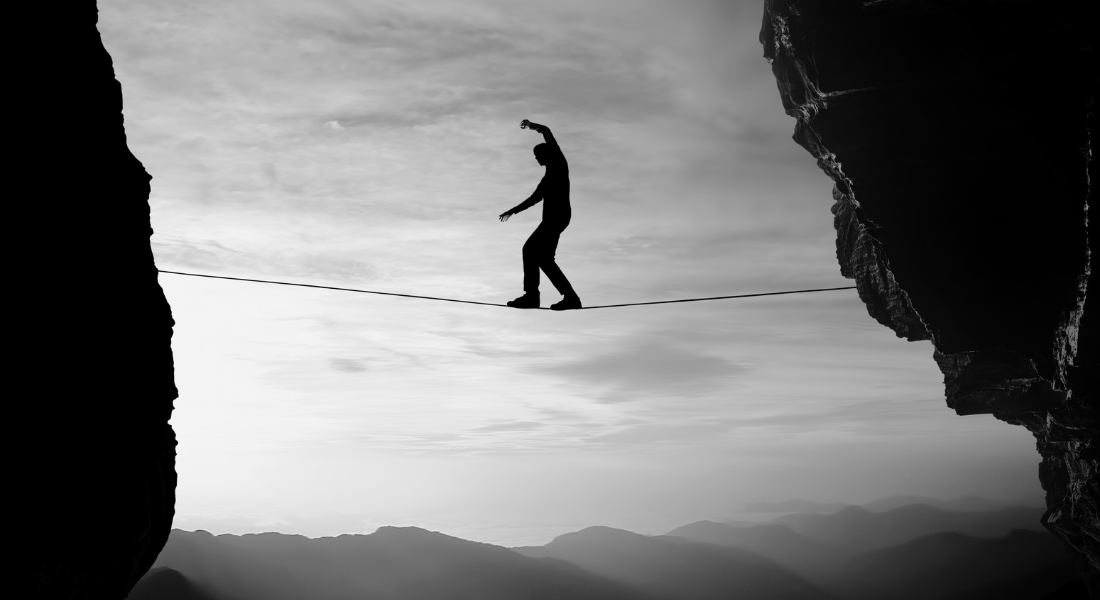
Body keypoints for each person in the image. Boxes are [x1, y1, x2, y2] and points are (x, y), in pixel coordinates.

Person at [499, 119, 582, 311]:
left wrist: (530, 125)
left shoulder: (559, 163)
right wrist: (513, 211)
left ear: (547, 153)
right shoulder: (546, 179)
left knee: (529, 250)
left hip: (556, 218)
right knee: (544, 259)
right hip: (556, 219)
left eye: (538, 155)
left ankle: (531, 296)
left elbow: (547, 131)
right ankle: (571, 298)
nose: (536, 159)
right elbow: (534, 198)